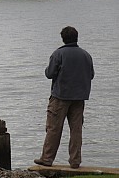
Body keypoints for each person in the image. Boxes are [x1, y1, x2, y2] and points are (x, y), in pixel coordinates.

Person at [34, 26, 94, 169]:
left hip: (60, 97)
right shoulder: (86, 55)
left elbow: (49, 73)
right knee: (76, 130)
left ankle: (47, 159)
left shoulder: (58, 54)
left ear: (63, 38)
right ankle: (75, 161)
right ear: (76, 37)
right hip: (79, 98)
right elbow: (91, 75)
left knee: (54, 128)